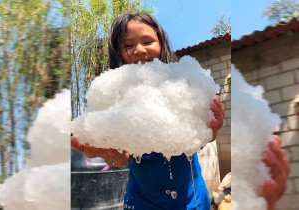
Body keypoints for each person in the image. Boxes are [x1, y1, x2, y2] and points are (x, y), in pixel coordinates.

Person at [71, 13, 289, 210]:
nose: (138, 49)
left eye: (147, 41)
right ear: (119, 53)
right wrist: (110, 152)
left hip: (192, 201)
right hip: (141, 202)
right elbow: (119, 158)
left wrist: (206, 131)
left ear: (161, 43)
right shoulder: (116, 96)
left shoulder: (183, 85)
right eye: (128, 46)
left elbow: (196, 139)